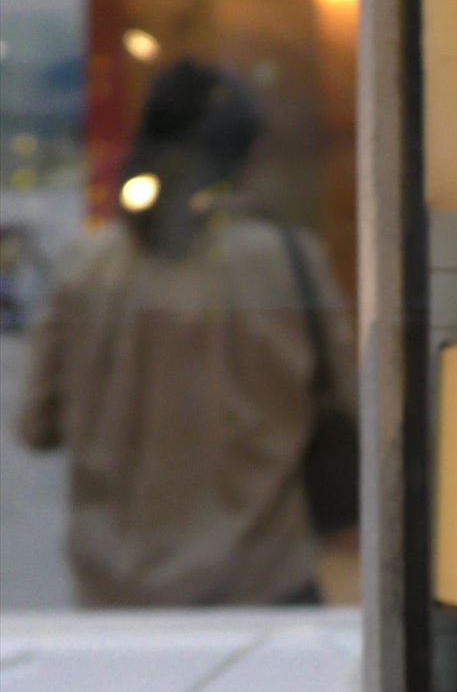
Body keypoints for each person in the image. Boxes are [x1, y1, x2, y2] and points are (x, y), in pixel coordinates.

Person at [14, 59, 356, 607]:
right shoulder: (289, 262)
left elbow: (35, 426)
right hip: (264, 582)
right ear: (246, 157)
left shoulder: (85, 268)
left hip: (115, 592)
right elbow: (350, 401)